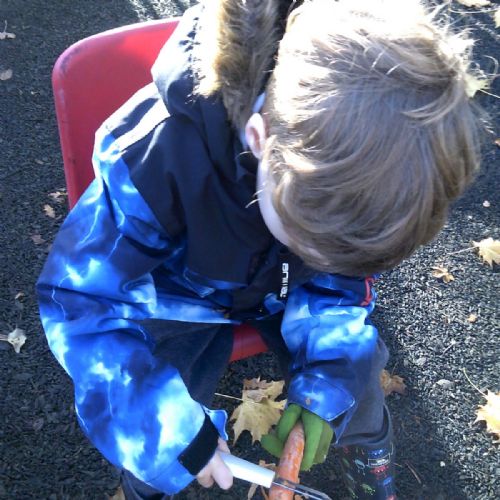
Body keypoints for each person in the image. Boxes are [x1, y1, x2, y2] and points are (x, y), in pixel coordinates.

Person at [37, 0, 483, 498]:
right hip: (174, 298)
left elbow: (338, 278)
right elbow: (81, 302)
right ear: (259, 140)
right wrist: (165, 429)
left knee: (353, 379)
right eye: (310, 240)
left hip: (284, 286)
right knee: (153, 441)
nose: (330, 260)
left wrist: (327, 384)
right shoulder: (152, 163)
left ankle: (366, 459)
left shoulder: (339, 194)